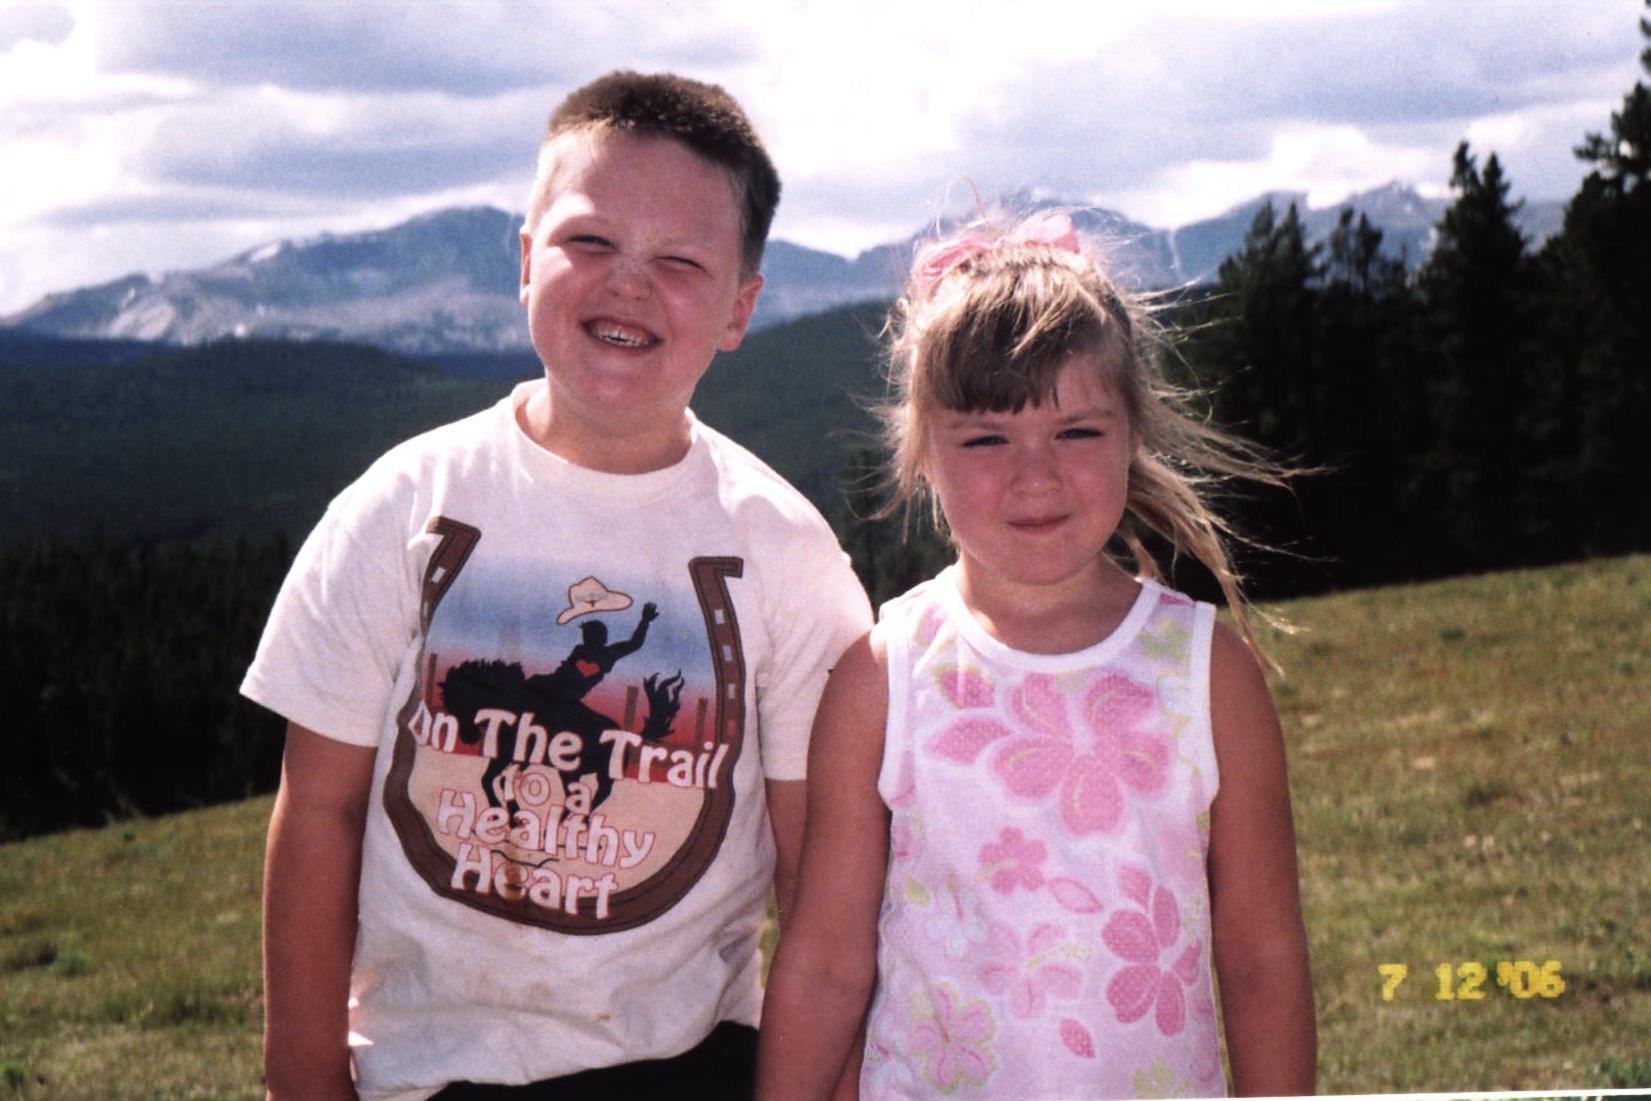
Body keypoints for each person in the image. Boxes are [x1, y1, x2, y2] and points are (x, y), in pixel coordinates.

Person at [243, 71, 871, 1101]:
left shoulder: (787, 555)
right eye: (591, 241)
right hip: (427, 1072)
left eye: (680, 261)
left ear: (739, 309)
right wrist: (302, 1080)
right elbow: (318, 811)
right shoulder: (400, 508)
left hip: (688, 1068)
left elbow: (817, 884)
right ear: (527, 260)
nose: (629, 284)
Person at [756, 212, 1316, 1099]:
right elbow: (824, 964)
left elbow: (1261, 957)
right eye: (986, 438)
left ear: (1133, 433)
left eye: (1076, 432)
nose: (1035, 475)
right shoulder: (882, 677)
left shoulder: (1207, 672)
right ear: (922, 454)